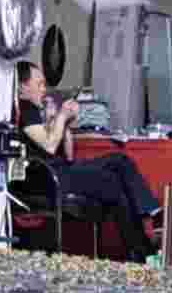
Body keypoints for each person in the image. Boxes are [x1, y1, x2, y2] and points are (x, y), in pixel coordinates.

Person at [11, 62, 162, 249]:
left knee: (120, 161)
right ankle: (140, 247)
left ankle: (151, 214)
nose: (44, 89)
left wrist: (65, 121)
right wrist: (61, 116)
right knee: (112, 182)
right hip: (47, 177)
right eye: (39, 84)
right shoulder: (26, 109)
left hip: (60, 168)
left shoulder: (37, 110)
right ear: (22, 87)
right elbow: (50, 146)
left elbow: (68, 154)